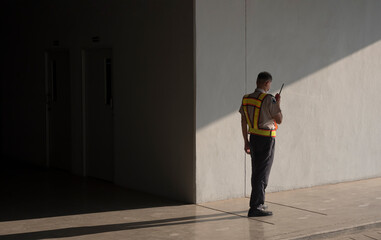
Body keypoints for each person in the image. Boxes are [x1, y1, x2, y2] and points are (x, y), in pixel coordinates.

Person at [239, 71, 283, 217]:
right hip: (266, 140)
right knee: (262, 173)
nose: (270, 86)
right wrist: (278, 104)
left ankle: (259, 202)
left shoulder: (246, 99)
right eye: (269, 84)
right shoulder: (269, 99)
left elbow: (243, 121)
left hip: (254, 139)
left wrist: (246, 141)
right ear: (266, 83)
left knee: (256, 171)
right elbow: (279, 119)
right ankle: (256, 206)